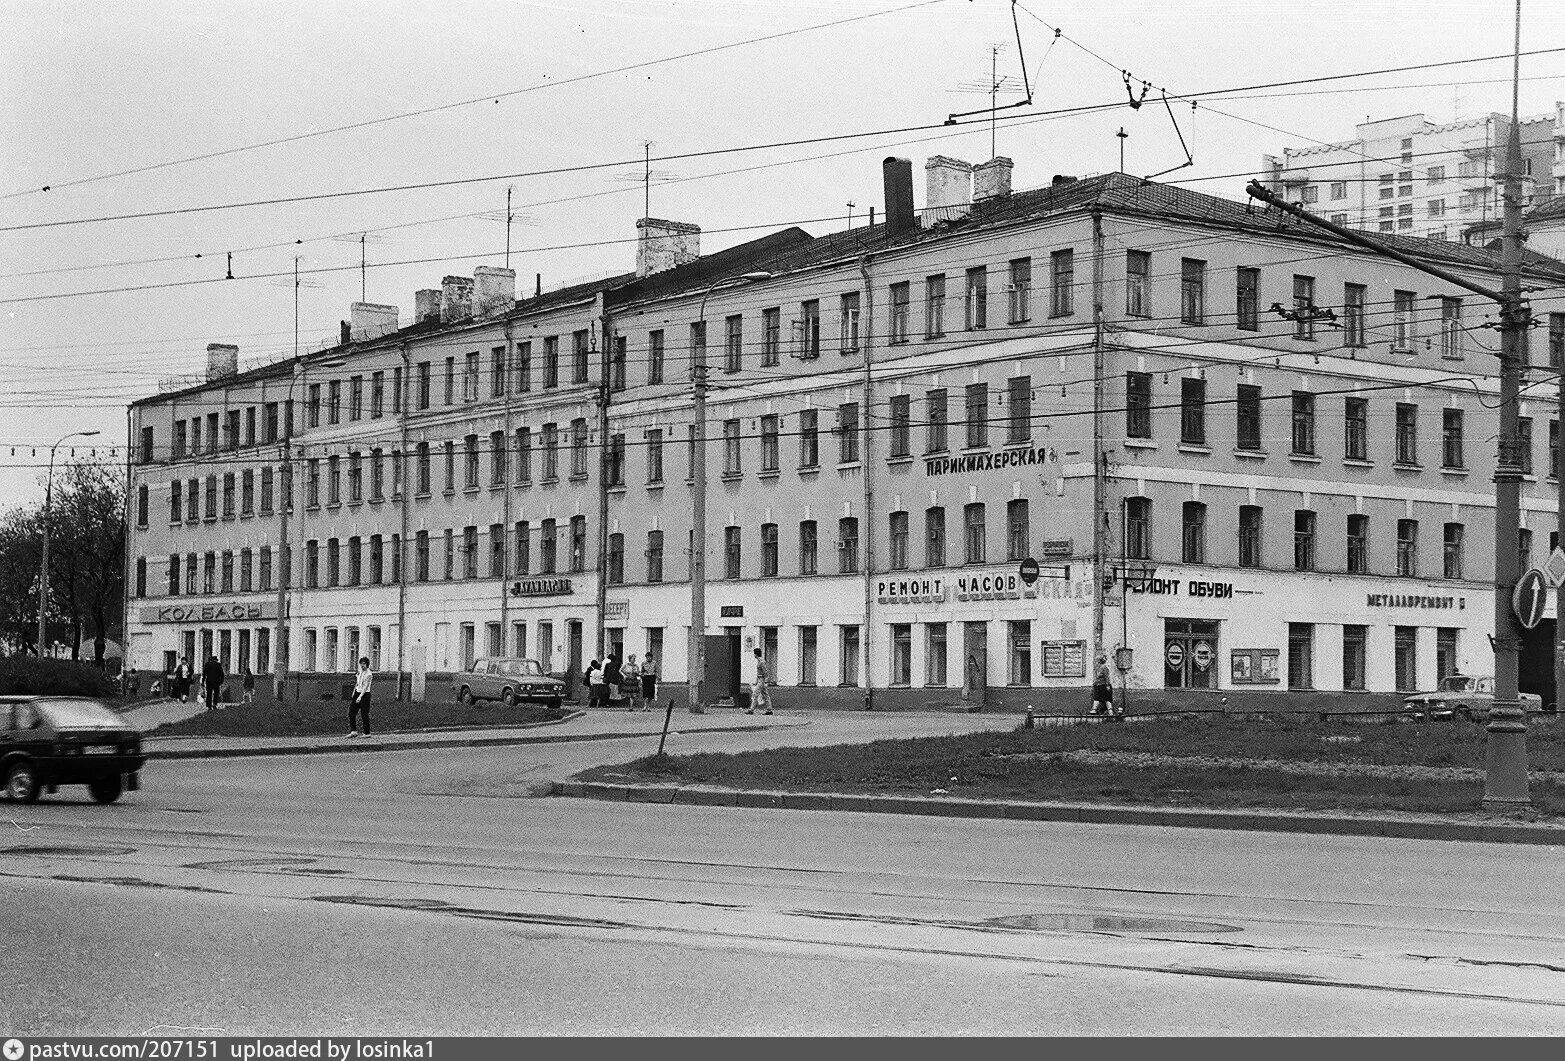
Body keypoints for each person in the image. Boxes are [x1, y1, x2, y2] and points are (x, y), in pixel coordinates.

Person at [348, 656, 373, 737]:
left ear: (367, 664)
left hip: (365, 694)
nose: (362, 666)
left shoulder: (369, 674)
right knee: (352, 712)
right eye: (361, 664)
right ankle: (353, 731)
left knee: (364, 714)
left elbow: (366, 686)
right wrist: (354, 692)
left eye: (364, 664)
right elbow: (357, 683)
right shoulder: (360, 672)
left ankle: (367, 732)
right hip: (357, 692)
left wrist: (360, 696)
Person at [745, 647, 772, 715]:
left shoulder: (761, 662)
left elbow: (765, 672)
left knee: (755, 694)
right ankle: (769, 710)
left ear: (756, 654)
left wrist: (765, 681)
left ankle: (751, 709)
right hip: (760, 680)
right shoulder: (760, 661)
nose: (754, 655)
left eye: (754, 653)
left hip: (761, 680)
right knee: (765, 695)